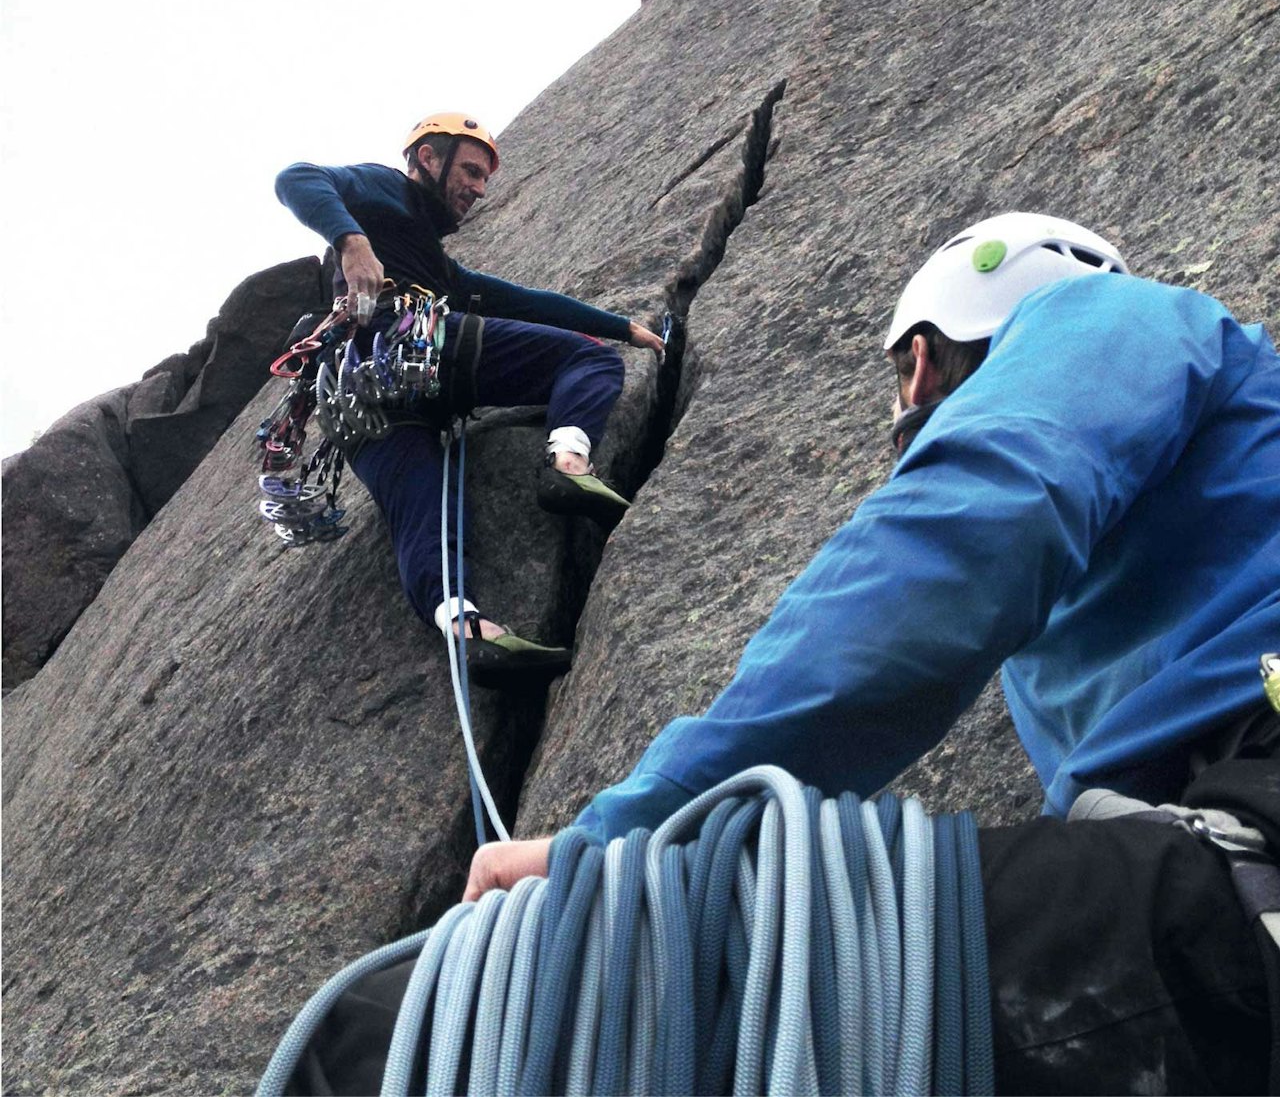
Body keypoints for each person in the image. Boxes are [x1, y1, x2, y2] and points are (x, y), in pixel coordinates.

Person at [465, 211, 1280, 1092]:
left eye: (901, 380)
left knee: (689, 993)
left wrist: (619, 840)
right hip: (1215, 844)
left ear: (922, 360)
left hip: (1248, 818)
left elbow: (952, 547)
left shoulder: (1110, 312)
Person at [276, 111, 665, 683]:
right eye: (472, 171)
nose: (478, 190)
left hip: (355, 400)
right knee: (587, 359)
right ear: (427, 160)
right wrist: (352, 242)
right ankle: (568, 464)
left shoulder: (438, 267)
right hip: (411, 346)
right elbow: (297, 176)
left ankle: (464, 628)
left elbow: (524, 301)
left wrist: (621, 325)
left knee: (421, 513)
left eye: (484, 181)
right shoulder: (388, 189)